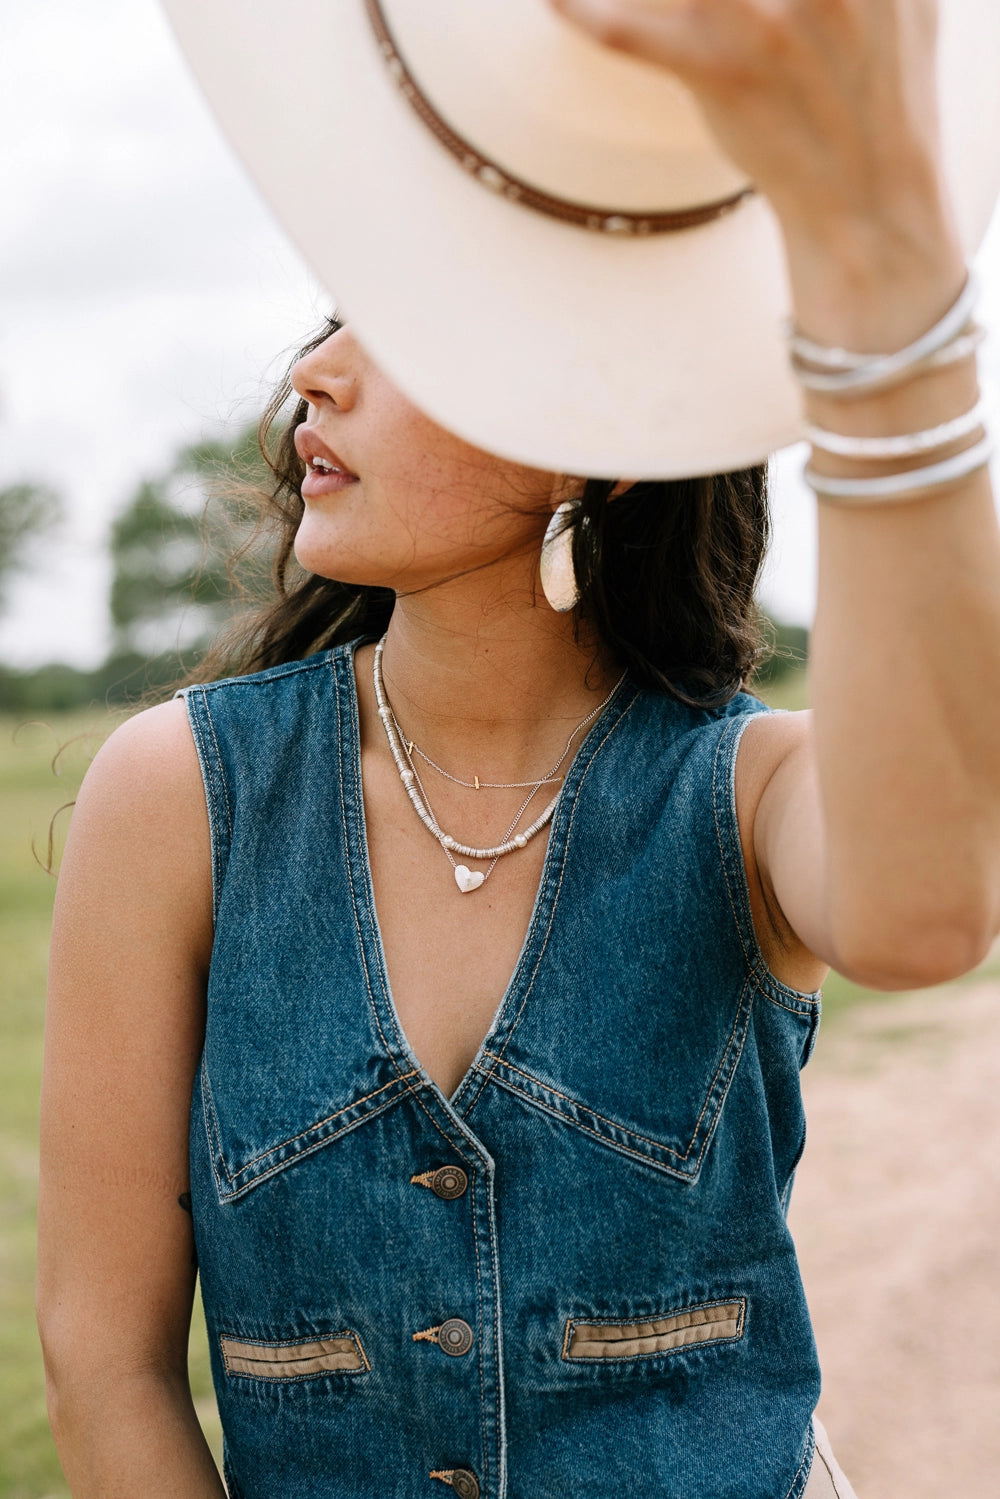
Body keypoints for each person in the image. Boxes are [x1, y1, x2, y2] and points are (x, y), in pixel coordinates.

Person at [36, 1, 1000, 1495]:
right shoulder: (181, 800)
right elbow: (102, 1364)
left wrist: (886, 295)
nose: (315, 376)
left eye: (402, 329)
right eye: (328, 313)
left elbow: (927, 915)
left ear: (591, 437)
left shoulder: (744, 797)